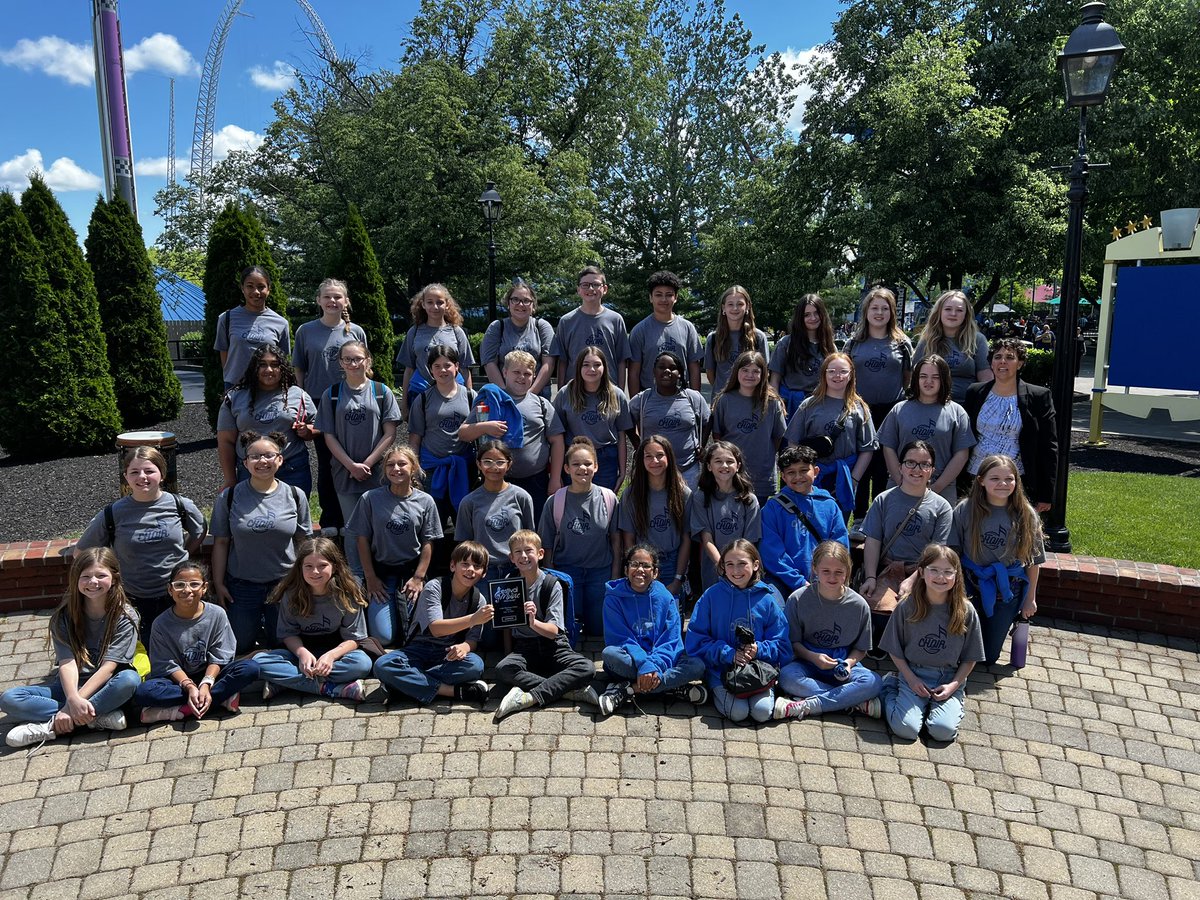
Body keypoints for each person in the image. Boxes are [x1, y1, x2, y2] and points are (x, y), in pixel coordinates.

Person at [1, 548, 140, 748]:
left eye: (101, 575)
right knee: (9, 699)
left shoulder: (126, 616)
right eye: (86, 576)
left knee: (129, 680)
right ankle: (95, 719)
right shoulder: (63, 616)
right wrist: (72, 699)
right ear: (75, 579)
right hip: (69, 687)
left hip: (107, 686)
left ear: (115, 578)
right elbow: (67, 663)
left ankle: (51, 727)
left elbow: (109, 668)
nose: (93, 582)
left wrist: (68, 709)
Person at [77, 446, 207, 645]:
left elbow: (199, 532)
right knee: (144, 653)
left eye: (149, 471)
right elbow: (82, 551)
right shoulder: (113, 513)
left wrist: (183, 555)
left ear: (162, 474)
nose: (142, 477)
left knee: (183, 648)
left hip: (176, 595)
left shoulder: (180, 505)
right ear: (126, 477)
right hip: (133, 598)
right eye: (134, 472)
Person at [211, 431, 313, 655]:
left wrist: (304, 581)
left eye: (268, 455)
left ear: (280, 460)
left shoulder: (295, 495)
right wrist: (218, 583)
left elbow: (304, 542)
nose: (262, 461)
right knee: (239, 645)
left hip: (284, 584)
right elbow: (221, 543)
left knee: (283, 644)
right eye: (255, 457)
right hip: (242, 585)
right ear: (245, 463)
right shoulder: (229, 497)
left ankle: (275, 679)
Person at [876, 544, 984, 742]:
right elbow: (894, 649)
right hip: (913, 674)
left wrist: (953, 685)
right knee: (906, 730)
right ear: (921, 572)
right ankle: (889, 688)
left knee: (942, 732)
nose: (940, 577)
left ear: (956, 576)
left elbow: (970, 659)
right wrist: (910, 678)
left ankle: (932, 708)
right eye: (933, 570)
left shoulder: (965, 611)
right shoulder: (907, 606)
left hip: (948, 677)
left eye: (947, 572)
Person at [135, 560, 261, 723]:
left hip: (211, 675)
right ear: (170, 589)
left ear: (204, 588)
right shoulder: (161, 623)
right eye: (179, 585)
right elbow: (166, 664)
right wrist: (189, 686)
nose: (187, 590)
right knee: (144, 692)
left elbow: (220, 655)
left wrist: (206, 683)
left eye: (194, 584)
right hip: (178, 681)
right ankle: (219, 699)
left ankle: (180, 710)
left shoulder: (217, 614)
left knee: (250, 668)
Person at [315, 341, 402, 574]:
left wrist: (368, 463)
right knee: (353, 528)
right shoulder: (331, 395)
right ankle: (357, 575)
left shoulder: (381, 392)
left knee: (380, 523)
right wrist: (351, 465)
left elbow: (390, 433)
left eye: (358, 359)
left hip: (377, 472)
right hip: (345, 472)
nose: (353, 364)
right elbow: (328, 436)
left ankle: (381, 571)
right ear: (341, 363)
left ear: (368, 361)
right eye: (347, 359)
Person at [372, 542, 494, 705]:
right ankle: (451, 691)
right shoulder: (435, 587)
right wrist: (473, 619)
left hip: (445, 655)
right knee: (382, 664)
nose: (470, 570)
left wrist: (463, 648)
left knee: (476, 665)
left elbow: (472, 641)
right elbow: (436, 628)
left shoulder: (478, 600)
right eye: (465, 564)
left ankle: (406, 685)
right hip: (417, 650)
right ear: (453, 566)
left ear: (483, 573)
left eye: (477, 566)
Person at [684, 540, 792, 724]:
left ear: (755, 565)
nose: (736, 570)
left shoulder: (768, 599)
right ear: (722, 567)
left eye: (742, 563)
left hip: (758, 671)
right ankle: (713, 688)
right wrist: (728, 654)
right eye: (730, 564)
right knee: (738, 713)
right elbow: (695, 642)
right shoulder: (711, 596)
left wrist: (759, 650)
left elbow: (783, 646)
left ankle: (769, 690)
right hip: (721, 670)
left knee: (762, 713)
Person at [593, 544, 707, 717]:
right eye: (634, 564)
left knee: (697, 665)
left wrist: (653, 665)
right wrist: (644, 664)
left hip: (660, 660)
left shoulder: (665, 597)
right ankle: (671, 687)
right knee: (610, 655)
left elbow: (671, 640)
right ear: (626, 569)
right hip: (630, 659)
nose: (640, 569)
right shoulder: (613, 597)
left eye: (646, 566)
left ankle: (630, 690)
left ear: (655, 573)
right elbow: (621, 639)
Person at [492, 531, 595, 721]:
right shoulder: (508, 585)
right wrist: (508, 652)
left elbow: (553, 632)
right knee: (502, 669)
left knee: (587, 667)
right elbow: (506, 626)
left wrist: (533, 622)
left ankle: (529, 697)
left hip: (554, 646)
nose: (523, 556)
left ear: (540, 554)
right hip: (525, 647)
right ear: (511, 558)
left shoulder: (551, 584)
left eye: (528, 551)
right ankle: (567, 691)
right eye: (518, 552)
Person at [950, 454, 1043, 665]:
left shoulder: (1025, 514)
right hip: (970, 583)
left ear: (1016, 481)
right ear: (981, 480)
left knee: (988, 657)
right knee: (964, 647)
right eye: (994, 478)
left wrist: (1030, 599)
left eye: (1009, 479)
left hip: (1007, 588)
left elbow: (1034, 561)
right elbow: (952, 552)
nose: (1003, 484)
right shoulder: (965, 509)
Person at [256, 537, 373, 702]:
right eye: (308, 566)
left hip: (336, 652)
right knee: (259, 662)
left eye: (322, 566)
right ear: (300, 568)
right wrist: (302, 653)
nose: (315, 572)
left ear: (335, 566)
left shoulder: (348, 592)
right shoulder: (291, 594)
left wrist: (331, 656)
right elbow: (288, 634)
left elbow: (354, 638)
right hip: (300, 653)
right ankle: (333, 688)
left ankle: (286, 682)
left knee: (362, 664)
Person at [774, 542, 881, 720]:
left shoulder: (859, 605)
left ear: (848, 571)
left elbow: (861, 649)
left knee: (873, 682)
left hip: (841, 664)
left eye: (839, 572)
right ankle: (853, 701)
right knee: (786, 677)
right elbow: (792, 643)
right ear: (815, 569)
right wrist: (812, 657)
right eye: (826, 571)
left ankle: (808, 705)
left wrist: (848, 663)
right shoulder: (798, 599)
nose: (832, 577)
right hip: (807, 661)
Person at [292, 278, 368, 530]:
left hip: (350, 402)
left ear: (345, 301)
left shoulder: (355, 332)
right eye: (327, 296)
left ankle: (356, 516)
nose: (332, 301)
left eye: (338, 297)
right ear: (318, 300)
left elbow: (364, 368)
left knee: (352, 457)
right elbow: (300, 369)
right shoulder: (306, 331)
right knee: (326, 461)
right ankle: (331, 519)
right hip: (317, 403)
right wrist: (301, 400)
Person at [349, 444, 442, 646]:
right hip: (381, 575)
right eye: (390, 465)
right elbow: (361, 539)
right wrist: (370, 578)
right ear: (384, 470)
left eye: (402, 464)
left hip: (410, 574)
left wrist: (418, 577)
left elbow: (428, 541)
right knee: (383, 637)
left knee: (417, 632)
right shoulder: (370, 499)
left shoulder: (426, 501)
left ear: (414, 467)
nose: (396, 469)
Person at [461, 350, 565, 522]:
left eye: (527, 374)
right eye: (516, 372)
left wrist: (554, 478)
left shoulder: (541, 403)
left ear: (534, 376)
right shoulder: (490, 400)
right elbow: (463, 433)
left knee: (534, 530)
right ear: (505, 372)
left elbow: (557, 441)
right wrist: (485, 426)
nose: (521, 377)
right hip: (497, 480)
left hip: (536, 481)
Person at [538, 437, 621, 637]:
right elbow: (546, 544)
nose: (582, 468)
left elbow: (617, 542)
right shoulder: (555, 501)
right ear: (566, 468)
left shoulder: (608, 498)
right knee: (569, 630)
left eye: (587, 463)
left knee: (598, 630)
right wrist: (551, 579)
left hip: (599, 572)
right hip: (567, 572)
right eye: (576, 464)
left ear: (596, 467)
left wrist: (615, 575)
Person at [859, 440, 954, 615]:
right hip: (886, 571)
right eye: (910, 462)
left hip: (924, 574)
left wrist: (914, 579)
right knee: (879, 615)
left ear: (932, 471)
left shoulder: (942, 507)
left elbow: (937, 552)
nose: (917, 469)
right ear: (900, 467)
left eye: (924, 464)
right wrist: (870, 577)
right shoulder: (883, 500)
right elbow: (873, 541)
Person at [845, 287, 914, 526]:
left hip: (891, 409)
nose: (879, 312)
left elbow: (908, 377)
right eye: (874, 308)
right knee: (863, 463)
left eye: (885, 308)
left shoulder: (902, 343)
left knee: (886, 465)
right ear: (866, 311)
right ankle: (860, 516)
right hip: (860, 410)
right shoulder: (853, 343)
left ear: (892, 312)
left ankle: (882, 516)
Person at [963, 339, 1058, 512]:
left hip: (1017, 480)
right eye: (997, 357)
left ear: (1020, 363)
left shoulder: (1038, 396)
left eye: (1010, 357)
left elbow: (1048, 447)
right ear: (991, 363)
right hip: (976, 477)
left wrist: (1046, 493)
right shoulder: (975, 392)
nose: (1002, 362)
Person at [784, 352, 876, 522]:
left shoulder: (859, 409)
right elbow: (793, 442)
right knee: (808, 525)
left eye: (843, 371)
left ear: (851, 375)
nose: (837, 376)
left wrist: (853, 479)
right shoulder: (809, 405)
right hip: (811, 477)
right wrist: (802, 474)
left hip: (843, 478)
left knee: (837, 525)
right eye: (832, 371)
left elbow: (867, 449)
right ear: (824, 374)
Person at [876, 354, 975, 510]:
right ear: (916, 379)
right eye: (923, 376)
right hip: (900, 487)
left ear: (944, 380)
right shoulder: (900, 409)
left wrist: (937, 487)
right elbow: (888, 447)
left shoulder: (957, 412)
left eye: (935, 377)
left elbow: (961, 454)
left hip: (941, 490)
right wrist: (901, 481)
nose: (929, 381)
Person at [408, 343, 478, 561]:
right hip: (432, 470)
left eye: (447, 365)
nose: (443, 370)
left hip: (463, 470)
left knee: (464, 524)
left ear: (457, 367)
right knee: (432, 524)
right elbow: (415, 438)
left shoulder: (470, 396)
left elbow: (480, 431)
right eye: (437, 366)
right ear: (430, 369)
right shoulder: (423, 399)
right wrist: (414, 470)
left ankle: (465, 567)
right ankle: (432, 570)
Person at [217, 343, 317, 494]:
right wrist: (230, 479)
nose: (269, 370)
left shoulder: (299, 395)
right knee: (251, 516)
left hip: (292, 469)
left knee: (293, 515)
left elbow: (319, 426)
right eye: (262, 365)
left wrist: (307, 431)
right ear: (254, 368)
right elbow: (225, 441)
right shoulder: (234, 398)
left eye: (275, 365)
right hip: (250, 470)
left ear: (282, 368)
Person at [760, 445, 849, 599]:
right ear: (783, 477)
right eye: (791, 473)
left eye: (803, 470)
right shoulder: (772, 508)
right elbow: (772, 553)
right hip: (781, 580)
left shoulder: (829, 505)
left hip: (824, 578)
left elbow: (840, 545)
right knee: (772, 608)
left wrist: (824, 576)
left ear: (815, 471)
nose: (798, 477)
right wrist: (799, 582)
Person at [618, 436, 692, 604]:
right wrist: (635, 569)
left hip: (672, 562)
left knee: (669, 619)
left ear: (669, 457)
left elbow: (686, 539)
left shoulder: (683, 494)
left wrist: (678, 578)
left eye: (660, 455)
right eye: (648, 456)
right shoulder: (631, 494)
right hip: (643, 564)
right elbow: (628, 538)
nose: (655, 461)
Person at [710, 350, 787, 503]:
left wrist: (767, 455)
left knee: (756, 518)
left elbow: (779, 437)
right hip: (731, 471)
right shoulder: (725, 400)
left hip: (761, 472)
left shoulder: (772, 403)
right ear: (736, 372)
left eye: (755, 371)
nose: (749, 375)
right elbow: (718, 435)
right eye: (745, 370)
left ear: (763, 374)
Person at [553, 346, 634, 492]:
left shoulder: (616, 395)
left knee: (603, 505)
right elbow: (556, 436)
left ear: (604, 367)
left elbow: (622, 435)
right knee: (575, 504)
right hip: (575, 457)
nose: (592, 369)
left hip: (606, 458)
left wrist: (622, 472)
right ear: (578, 367)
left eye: (597, 364)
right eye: (586, 365)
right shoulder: (565, 394)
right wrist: (556, 472)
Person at [456, 440, 535, 586]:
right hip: (483, 571)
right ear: (479, 464)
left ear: (508, 464)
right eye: (487, 462)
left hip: (516, 568)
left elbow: (531, 536)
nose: (494, 467)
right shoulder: (469, 502)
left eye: (500, 462)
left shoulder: (521, 497)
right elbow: (464, 542)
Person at [628, 350, 710, 491]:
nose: (667, 371)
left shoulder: (693, 398)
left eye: (672, 368)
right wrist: (637, 444)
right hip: (653, 470)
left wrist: (701, 445)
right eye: (661, 367)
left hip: (688, 468)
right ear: (654, 371)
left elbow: (708, 421)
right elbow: (625, 422)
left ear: (680, 373)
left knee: (688, 510)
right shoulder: (642, 400)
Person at [688, 441, 761, 592]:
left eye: (730, 461)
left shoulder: (749, 499)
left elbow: (750, 541)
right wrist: (723, 566)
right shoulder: (700, 497)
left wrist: (736, 567)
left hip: (743, 569)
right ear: (709, 466)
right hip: (715, 569)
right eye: (718, 461)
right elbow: (706, 539)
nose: (724, 466)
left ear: (738, 465)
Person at [396, 283, 474, 420]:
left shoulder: (456, 332)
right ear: (423, 304)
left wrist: (470, 399)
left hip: (452, 391)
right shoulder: (414, 332)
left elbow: (465, 369)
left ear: (447, 304)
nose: (435, 307)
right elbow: (409, 369)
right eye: (430, 302)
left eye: (439, 302)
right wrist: (404, 404)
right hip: (421, 390)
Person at [551, 265, 631, 391]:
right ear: (578, 289)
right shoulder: (567, 321)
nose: (590, 288)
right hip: (575, 392)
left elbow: (621, 361)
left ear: (604, 289)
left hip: (608, 390)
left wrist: (619, 392)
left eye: (595, 284)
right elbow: (563, 361)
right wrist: (562, 394)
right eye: (585, 285)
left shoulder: (616, 320)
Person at [214, 265, 291, 389]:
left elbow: (282, 360)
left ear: (269, 289)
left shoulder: (281, 323)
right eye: (250, 286)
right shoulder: (226, 318)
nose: (256, 292)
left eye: (261, 287)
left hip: (268, 388)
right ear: (242, 288)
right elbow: (224, 353)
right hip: (236, 387)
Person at [627, 270, 704, 392]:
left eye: (669, 295)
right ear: (650, 297)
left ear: (676, 298)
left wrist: (695, 402)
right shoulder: (639, 330)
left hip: (681, 397)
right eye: (658, 294)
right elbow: (634, 372)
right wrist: (636, 406)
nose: (664, 299)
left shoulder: (688, 328)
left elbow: (694, 368)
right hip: (649, 399)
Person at [480, 279, 556, 397]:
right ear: (508, 304)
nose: (520, 305)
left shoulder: (542, 327)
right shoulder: (497, 327)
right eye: (515, 300)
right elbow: (489, 363)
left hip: (538, 394)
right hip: (504, 394)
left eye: (526, 301)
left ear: (533, 306)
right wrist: (505, 394)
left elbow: (548, 364)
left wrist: (529, 395)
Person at [913, 289, 992, 403]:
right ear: (939, 312)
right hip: (931, 404)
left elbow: (985, 377)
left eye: (959, 310)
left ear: (966, 315)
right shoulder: (927, 340)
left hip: (966, 404)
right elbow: (915, 375)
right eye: (948, 309)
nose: (953, 314)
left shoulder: (978, 340)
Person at [769, 293, 837, 416]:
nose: (813, 318)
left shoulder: (830, 346)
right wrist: (776, 406)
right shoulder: (786, 343)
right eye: (807, 315)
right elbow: (774, 380)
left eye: (816, 313)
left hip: (819, 405)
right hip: (790, 406)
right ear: (800, 318)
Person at [704, 285, 770, 402]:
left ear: (748, 307)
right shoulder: (714, 338)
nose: (735, 308)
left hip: (750, 400)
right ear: (723, 308)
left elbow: (765, 372)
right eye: (730, 304)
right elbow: (710, 374)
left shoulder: (758, 337)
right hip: (722, 401)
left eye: (740, 304)